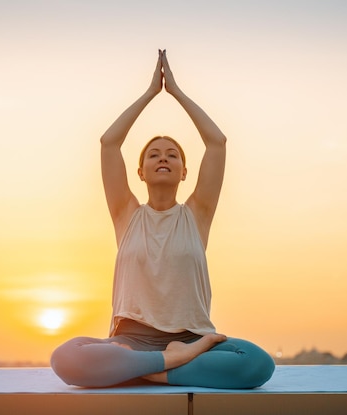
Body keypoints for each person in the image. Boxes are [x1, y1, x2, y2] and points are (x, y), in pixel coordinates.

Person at [50, 50, 275, 389]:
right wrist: (150, 94)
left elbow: (217, 143)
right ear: (140, 172)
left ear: (185, 172)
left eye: (172, 155)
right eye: (154, 154)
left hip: (193, 338)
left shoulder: (197, 214)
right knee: (65, 358)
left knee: (257, 364)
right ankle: (168, 364)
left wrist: (177, 93)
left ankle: (140, 370)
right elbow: (109, 143)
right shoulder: (126, 214)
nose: (163, 158)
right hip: (131, 341)